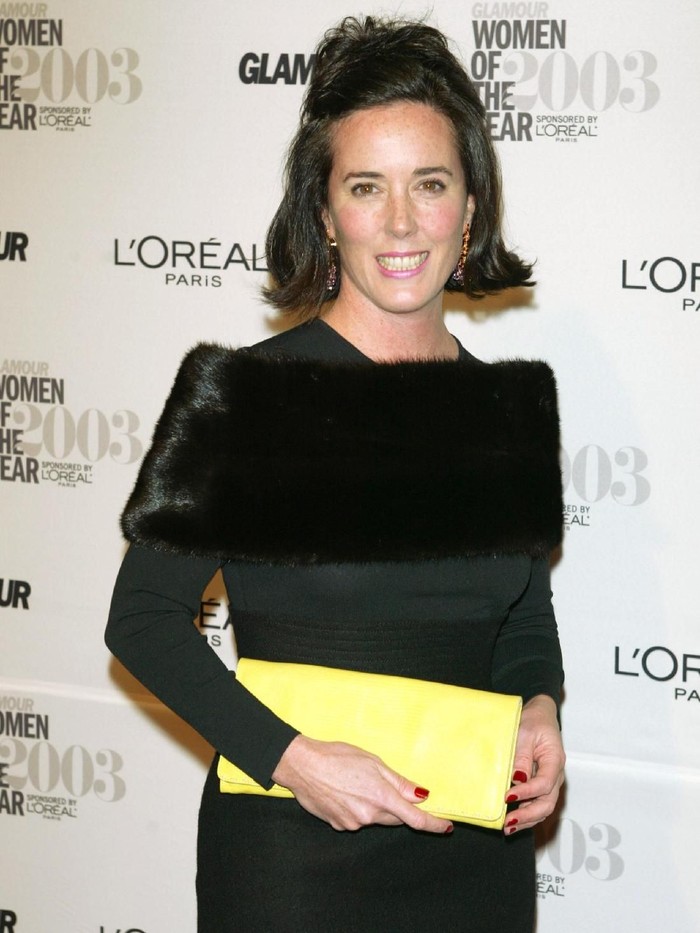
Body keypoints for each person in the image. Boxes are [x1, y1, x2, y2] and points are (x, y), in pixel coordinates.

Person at [106, 15, 565, 932]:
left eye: (429, 184)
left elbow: (522, 616)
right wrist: (292, 759)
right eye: (366, 187)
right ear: (324, 214)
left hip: (475, 852)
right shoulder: (242, 396)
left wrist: (541, 709)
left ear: (470, 207)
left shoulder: (507, 406)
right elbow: (143, 619)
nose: (400, 221)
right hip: (294, 859)